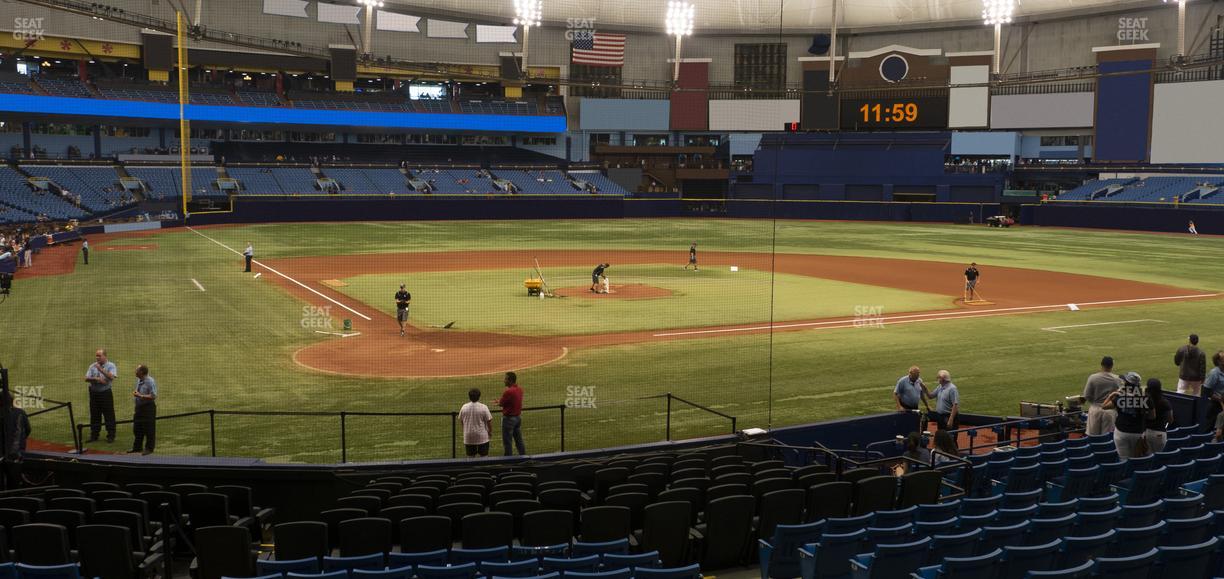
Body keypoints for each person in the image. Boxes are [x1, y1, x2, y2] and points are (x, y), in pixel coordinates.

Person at [1104, 372, 1147, 459]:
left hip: (1122, 432)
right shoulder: (1144, 398)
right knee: (1137, 459)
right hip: (1137, 432)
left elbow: (1104, 406)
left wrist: (1112, 395)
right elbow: (1150, 415)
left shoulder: (1120, 397)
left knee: (1123, 459)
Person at [84, 348, 118, 443]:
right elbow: (86, 378)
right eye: (96, 356)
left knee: (109, 414)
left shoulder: (111, 365)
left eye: (99, 356)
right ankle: (94, 435)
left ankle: (111, 435)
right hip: (94, 394)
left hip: (105, 394)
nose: (97, 357)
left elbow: (111, 377)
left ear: (105, 356)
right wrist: (96, 379)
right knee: (94, 414)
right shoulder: (92, 366)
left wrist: (101, 370)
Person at [1083, 356, 1123, 436]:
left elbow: (1086, 395)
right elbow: (1120, 395)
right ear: (1112, 365)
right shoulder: (1117, 379)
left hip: (1095, 409)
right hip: (1109, 411)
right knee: (1107, 437)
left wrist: (1094, 403)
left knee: (1093, 436)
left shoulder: (1093, 377)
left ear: (1101, 365)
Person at [0, 391, 30, 490]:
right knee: (14, 486)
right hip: (17, 455)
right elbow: (28, 430)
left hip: (4, 455)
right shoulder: (21, 412)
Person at [129, 364, 157, 455]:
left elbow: (153, 396)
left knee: (149, 429)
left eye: (137, 370)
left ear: (141, 372)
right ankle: (137, 447)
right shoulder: (139, 380)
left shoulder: (150, 381)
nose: (135, 371)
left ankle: (149, 448)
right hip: (139, 408)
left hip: (148, 408)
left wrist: (140, 396)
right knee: (137, 428)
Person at [496, 372, 526, 456]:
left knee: (507, 442)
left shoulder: (508, 391)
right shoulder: (520, 389)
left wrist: (499, 402)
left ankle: (508, 460)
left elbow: (501, 403)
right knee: (519, 440)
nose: (504, 380)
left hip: (508, 420)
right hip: (517, 418)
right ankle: (523, 456)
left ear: (510, 380)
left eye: (505, 379)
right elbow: (511, 401)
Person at [458, 388, 493, 458]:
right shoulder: (484, 407)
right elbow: (489, 421)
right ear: (479, 397)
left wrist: (465, 430)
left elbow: (461, 421)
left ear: (469, 397)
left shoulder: (464, 407)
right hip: (482, 437)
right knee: (484, 458)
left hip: (468, 437)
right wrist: (490, 432)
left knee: (470, 459)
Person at [1143, 378, 1172, 454]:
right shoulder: (1165, 402)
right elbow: (1170, 420)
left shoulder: (1144, 401)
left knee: (1147, 457)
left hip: (1146, 432)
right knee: (1158, 457)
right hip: (1159, 433)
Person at [1203, 351, 1224, 434]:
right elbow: (1206, 391)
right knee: (1209, 428)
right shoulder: (1214, 373)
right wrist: (1220, 399)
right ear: (1219, 361)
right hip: (1215, 406)